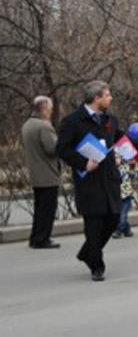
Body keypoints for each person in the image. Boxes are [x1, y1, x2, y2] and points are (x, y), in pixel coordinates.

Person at [56, 81, 138, 281]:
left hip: (109, 179)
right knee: (93, 225)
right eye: (107, 95)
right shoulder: (73, 121)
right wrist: (84, 163)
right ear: (97, 98)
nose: (110, 98)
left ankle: (88, 252)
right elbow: (62, 149)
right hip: (89, 181)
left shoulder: (110, 120)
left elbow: (123, 140)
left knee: (113, 219)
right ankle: (96, 265)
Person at [22, 96, 61, 249]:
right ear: (44, 109)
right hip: (47, 174)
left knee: (39, 209)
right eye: (50, 109)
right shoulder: (44, 126)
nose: (51, 113)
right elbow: (52, 149)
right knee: (48, 209)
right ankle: (42, 238)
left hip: (36, 173)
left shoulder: (27, 125)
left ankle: (35, 236)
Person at [112, 155, 136, 239]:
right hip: (116, 195)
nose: (116, 160)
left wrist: (133, 172)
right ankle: (127, 229)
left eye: (117, 158)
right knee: (118, 214)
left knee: (123, 214)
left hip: (126, 194)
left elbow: (133, 175)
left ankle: (118, 231)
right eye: (114, 158)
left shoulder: (125, 167)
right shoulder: (111, 168)